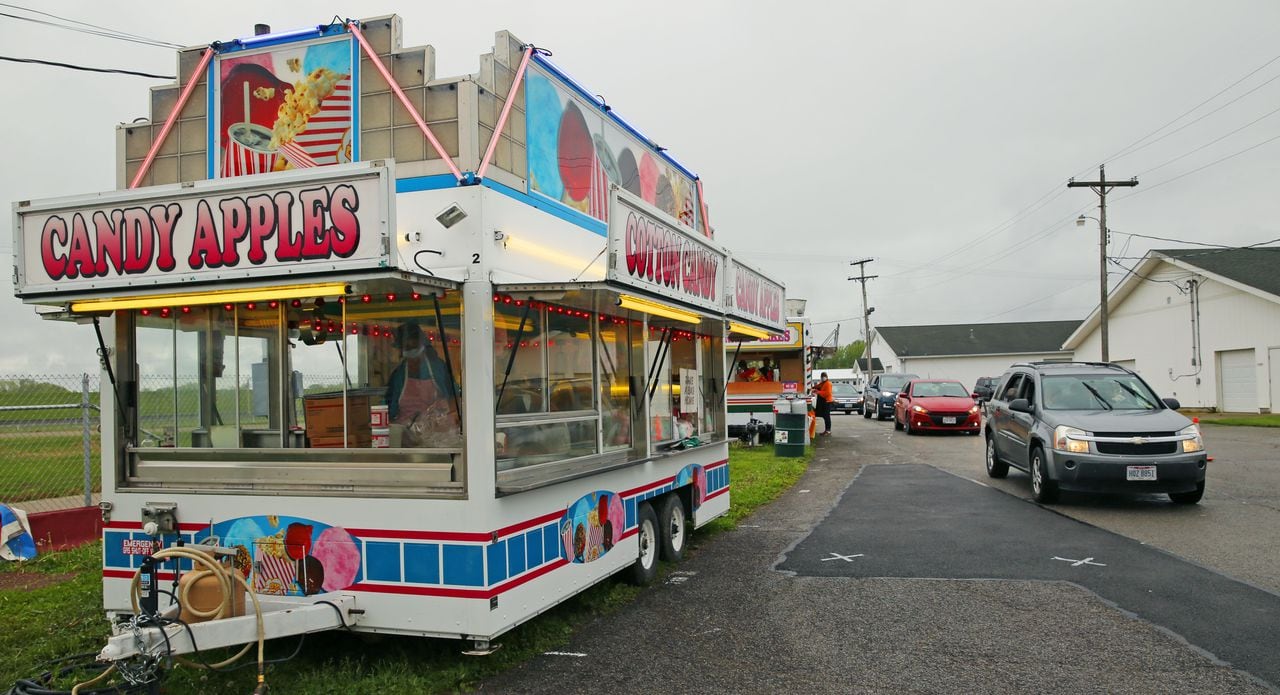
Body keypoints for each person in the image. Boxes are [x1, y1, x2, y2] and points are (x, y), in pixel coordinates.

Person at [387, 320, 458, 444]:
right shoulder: (399, 374)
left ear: (422, 345)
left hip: (438, 435)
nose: (410, 351)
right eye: (406, 347)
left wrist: (437, 418)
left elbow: (454, 399)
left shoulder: (438, 368)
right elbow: (390, 408)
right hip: (407, 436)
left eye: (413, 346)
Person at [812, 371, 833, 436]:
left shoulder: (828, 384)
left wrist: (818, 392)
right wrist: (812, 388)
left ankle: (828, 430)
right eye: (822, 376)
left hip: (827, 402)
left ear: (826, 377)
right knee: (824, 416)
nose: (823, 378)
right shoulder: (823, 383)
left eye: (824, 376)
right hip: (823, 402)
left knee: (827, 417)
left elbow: (827, 393)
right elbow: (818, 386)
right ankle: (827, 430)